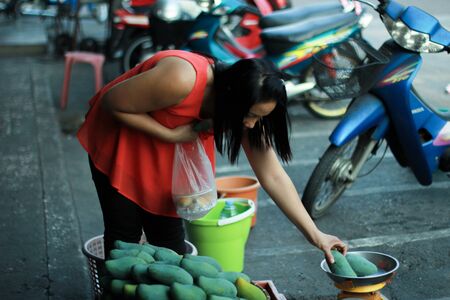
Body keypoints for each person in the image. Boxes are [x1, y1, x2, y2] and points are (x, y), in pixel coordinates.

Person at [77, 49, 347, 263]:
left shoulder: (248, 103)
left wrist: (316, 235)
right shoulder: (182, 78)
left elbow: (273, 175)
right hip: (120, 141)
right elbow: (112, 102)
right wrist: (170, 135)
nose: (252, 124)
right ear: (230, 98)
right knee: (124, 240)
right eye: (250, 115)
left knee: (170, 247)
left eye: (259, 117)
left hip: (166, 156)